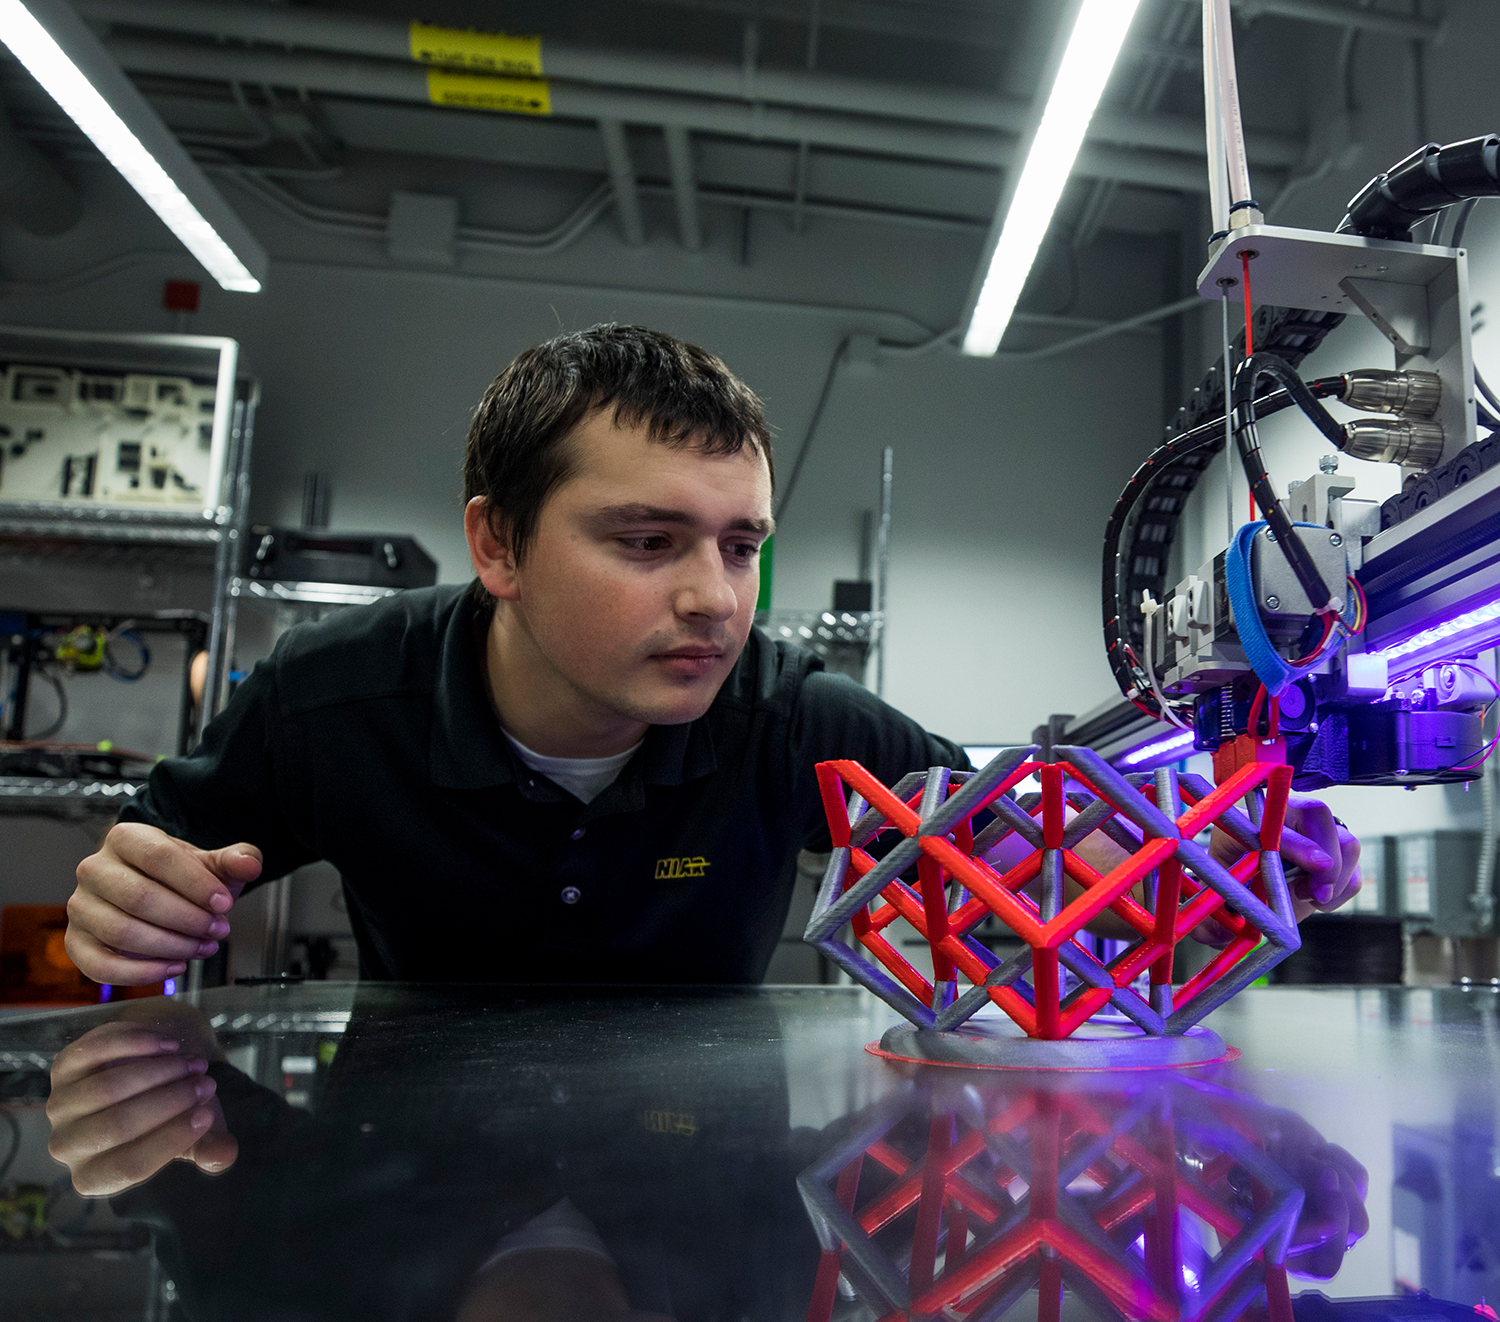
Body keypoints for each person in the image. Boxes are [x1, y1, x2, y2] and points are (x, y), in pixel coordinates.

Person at [61, 325, 1361, 989]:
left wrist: (1228, 868)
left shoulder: (796, 718)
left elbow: (1038, 869)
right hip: (403, 1196)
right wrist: (129, 911)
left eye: (741, 547)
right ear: (498, 544)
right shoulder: (327, 699)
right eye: (645, 540)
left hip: (706, 1196)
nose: (713, 601)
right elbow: (145, 882)